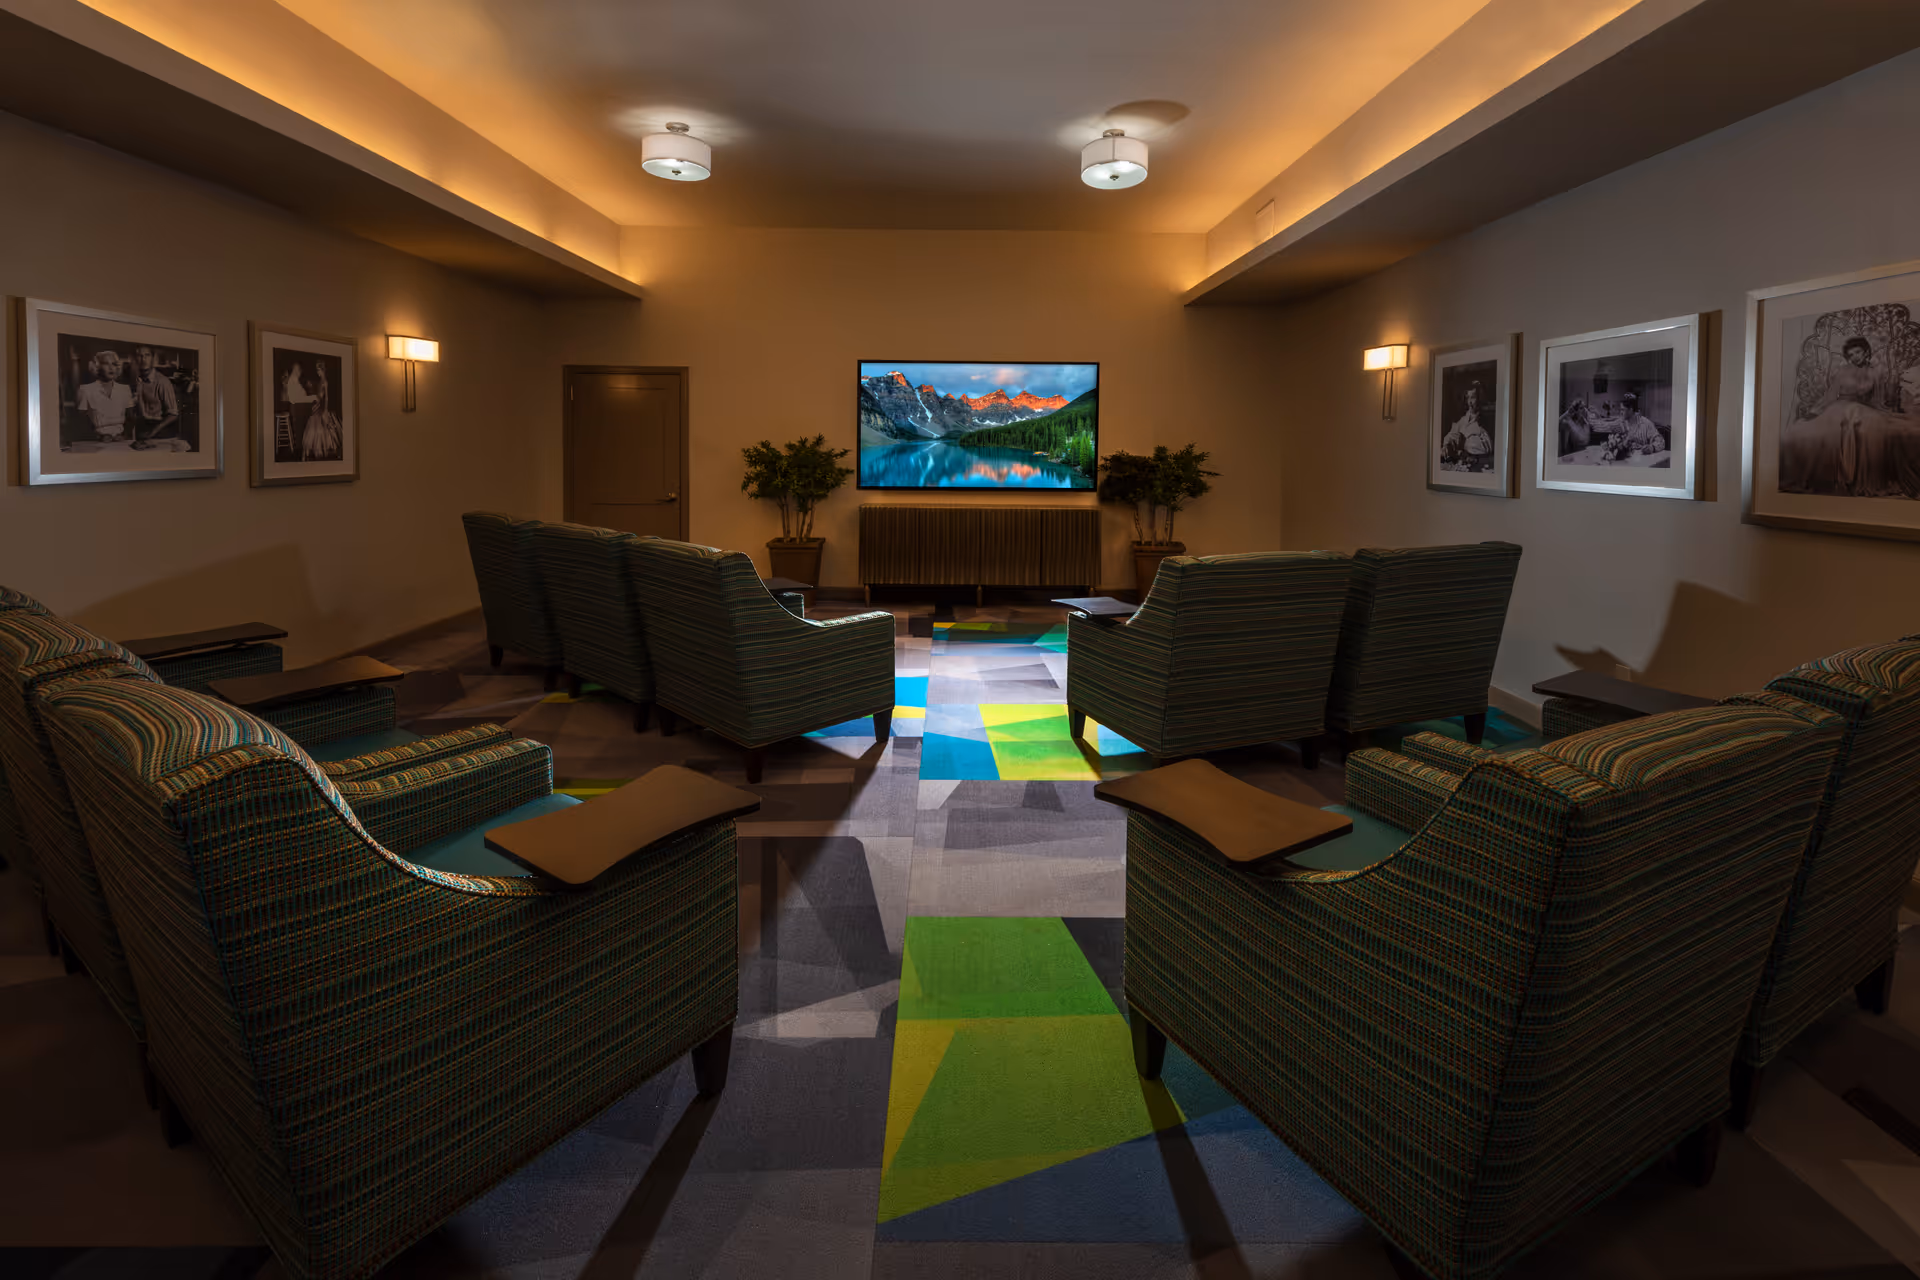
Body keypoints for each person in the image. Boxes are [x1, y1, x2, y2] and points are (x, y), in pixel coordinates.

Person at [73, 350, 133, 444]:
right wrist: (97, 437)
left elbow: (131, 419)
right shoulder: (85, 390)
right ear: (97, 366)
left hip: (121, 442)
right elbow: (80, 423)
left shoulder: (125, 389)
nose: (110, 368)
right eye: (106, 363)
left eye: (113, 364)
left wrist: (124, 435)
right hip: (95, 443)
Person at [127, 345, 179, 450]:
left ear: (153, 359)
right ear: (135, 359)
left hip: (160, 431)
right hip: (141, 430)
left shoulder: (163, 382)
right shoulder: (135, 380)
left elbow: (173, 414)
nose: (143, 359)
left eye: (147, 355)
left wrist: (153, 432)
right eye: (140, 356)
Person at [1441, 381, 1494, 469]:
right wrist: (1447, 444)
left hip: (1479, 466)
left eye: (1473, 397)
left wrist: (1464, 443)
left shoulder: (1484, 420)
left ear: (1479, 398)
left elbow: (1487, 447)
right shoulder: (1463, 419)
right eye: (1467, 398)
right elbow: (1451, 435)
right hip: (1462, 465)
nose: (1470, 402)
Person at [300, 361, 342, 461]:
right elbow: (318, 395)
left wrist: (326, 411)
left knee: (326, 429)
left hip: (323, 408)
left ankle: (332, 452)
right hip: (318, 406)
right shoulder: (319, 381)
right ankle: (312, 453)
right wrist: (315, 402)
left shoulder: (325, 382)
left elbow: (326, 398)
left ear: (323, 370)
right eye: (317, 370)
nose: (317, 372)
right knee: (313, 427)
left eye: (318, 370)